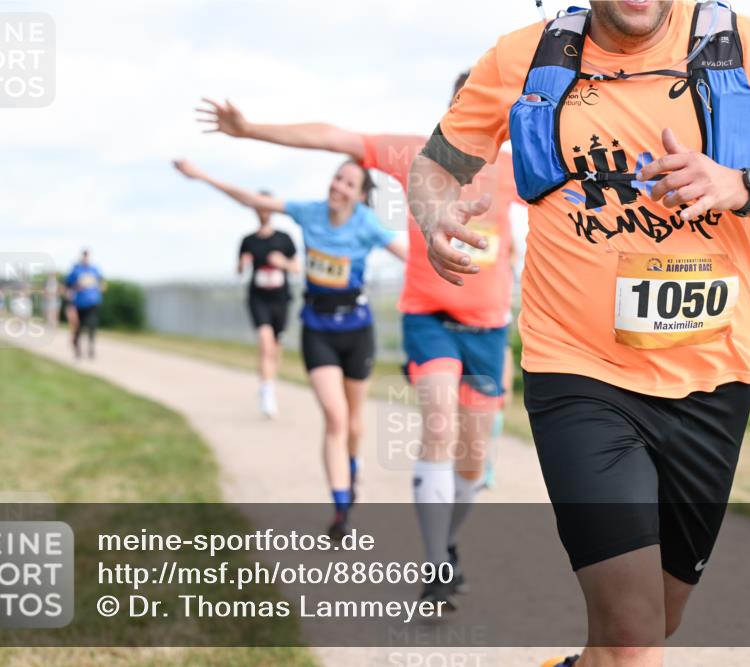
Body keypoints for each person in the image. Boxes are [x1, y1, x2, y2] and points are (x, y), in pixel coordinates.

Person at [407, 1, 750, 665]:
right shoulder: (524, 56)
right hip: (578, 373)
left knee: (655, 619)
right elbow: (433, 166)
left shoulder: (740, 48)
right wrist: (434, 213)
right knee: (632, 635)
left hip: (711, 382)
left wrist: (742, 186)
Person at [196, 76, 523, 608]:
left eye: (494, 108)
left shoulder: (516, 168)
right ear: (452, 105)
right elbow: (334, 137)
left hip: (487, 327)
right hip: (429, 318)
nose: (480, 115)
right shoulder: (417, 154)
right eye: (470, 102)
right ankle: (435, 564)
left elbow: (583, 196)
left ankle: (448, 541)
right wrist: (250, 129)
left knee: (473, 459)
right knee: (439, 424)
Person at [173, 157, 406, 538]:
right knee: (335, 417)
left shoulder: (367, 224)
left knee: (353, 422)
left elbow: (412, 257)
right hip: (317, 328)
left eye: (349, 184)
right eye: (337, 178)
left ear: (361, 196)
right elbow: (254, 200)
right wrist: (203, 176)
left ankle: (352, 464)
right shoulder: (309, 212)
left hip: (357, 330)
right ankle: (341, 509)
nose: (338, 186)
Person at [236, 191, 300, 418]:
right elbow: (239, 269)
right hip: (258, 298)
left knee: (275, 347)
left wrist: (282, 263)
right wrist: (243, 264)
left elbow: (296, 267)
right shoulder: (248, 240)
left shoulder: (284, 238)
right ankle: (266, 391)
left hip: (280, 299)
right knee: (265, 342)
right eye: (259, 206)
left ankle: (269, 381)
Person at [65, 249, 106, 360]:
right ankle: (77, 350)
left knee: (92, 325)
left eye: (87, 257)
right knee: (78, 328)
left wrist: (101, 287)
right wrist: (71, 295)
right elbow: (67, 286)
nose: (86, 259)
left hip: (93, 302)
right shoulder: (76, 270)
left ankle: (91, 348)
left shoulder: (95, 269)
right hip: (79, 304)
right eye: (84, 257)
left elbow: (102, 283)